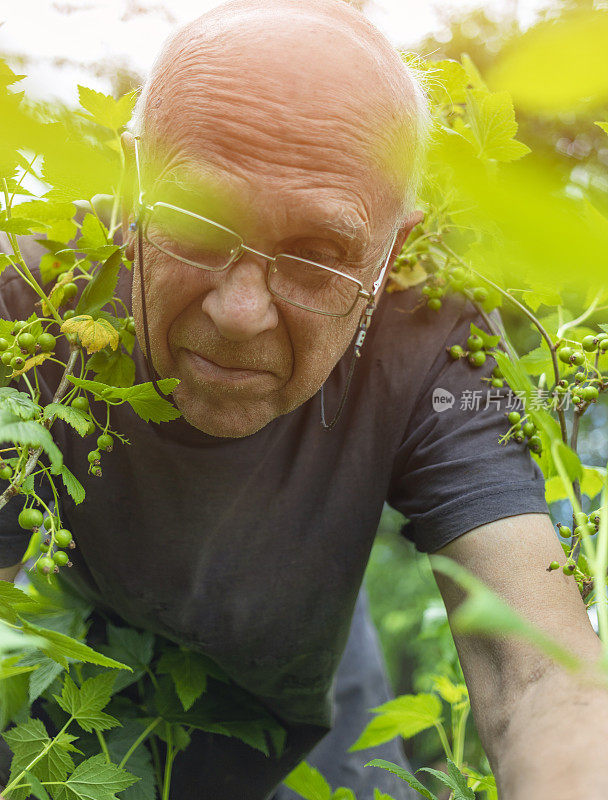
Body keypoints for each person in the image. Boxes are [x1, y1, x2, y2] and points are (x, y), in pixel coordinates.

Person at [1, 1, 607, 798]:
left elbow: (536, 675)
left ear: (391, 256)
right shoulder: (33, 310)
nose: (239, 310)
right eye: (198, 219)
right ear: (127, 191)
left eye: (318, 255)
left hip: (302, 669)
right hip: (102, 641)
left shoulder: (439, 342)